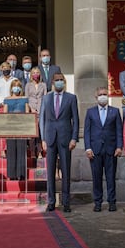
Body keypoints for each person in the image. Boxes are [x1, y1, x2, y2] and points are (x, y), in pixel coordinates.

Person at [39, 73, 79, 212]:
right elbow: (42, 119)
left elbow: (75, 119)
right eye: (57, 80)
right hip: (50, 138)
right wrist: (43, 138)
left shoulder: (71, 98)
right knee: (50, 172)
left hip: (65, 138)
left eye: (62, 80)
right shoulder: (46, 98)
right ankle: (51, 201)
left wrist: (74, 138)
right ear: (52, 83)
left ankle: (66, 202)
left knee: (65, 171)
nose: (59, 82)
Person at [84, 87, 123, 212]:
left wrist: (119, 146)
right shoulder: (90, 112)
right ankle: (98, 202)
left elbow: (119, 131)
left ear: (108, 96)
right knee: (97, 177)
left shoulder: (115, 111)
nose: (102, 96)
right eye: (100, 94)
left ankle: (112, 202)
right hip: (95, 150)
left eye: (105, 94)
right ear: (96, 97)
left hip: (111, 149)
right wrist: (88, 148)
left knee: (111, 177)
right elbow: (87, 131)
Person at [3, 80, 30, 180]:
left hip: (22, 128)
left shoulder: (24, 99)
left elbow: (27, 114)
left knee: (21, 150)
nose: (16, 88)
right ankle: (12, 174)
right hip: (10, 128)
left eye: (18, 86)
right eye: (14, 86)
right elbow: (5, 115)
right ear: (11, 88)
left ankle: (21, 174)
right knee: (11, 150)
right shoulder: (7, 99)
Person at [25, 66, 47, 158]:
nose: (35, 74)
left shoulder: (43, 85)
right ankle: (33, 151)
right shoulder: (28, 85)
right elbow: (26, 98)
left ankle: (39, 151)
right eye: (33, 73)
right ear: (31, 75)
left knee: (40, 133)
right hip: (31, 110)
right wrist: (30, 109)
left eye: (37, 72)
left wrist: (43, 109)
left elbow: (45, 98)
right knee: (32, 133)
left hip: (41, 110)